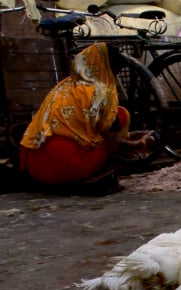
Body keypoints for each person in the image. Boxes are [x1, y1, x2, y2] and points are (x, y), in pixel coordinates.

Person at [20, 43, 155, 185]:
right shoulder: (103, 93)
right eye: (115, 72)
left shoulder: (64, 86)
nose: (115, 78)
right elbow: (115, 146)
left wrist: (127, 136)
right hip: (66, 166)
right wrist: (140, 144)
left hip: (35, 167)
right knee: (122, 115)